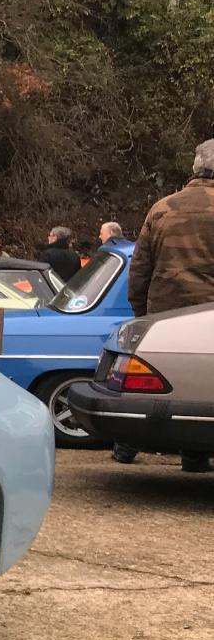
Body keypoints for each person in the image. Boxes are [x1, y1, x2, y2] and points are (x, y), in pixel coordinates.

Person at [122, 139, 214, 472]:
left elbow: (140, 268)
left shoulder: (162, 208)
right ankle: (195, 455)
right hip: (208, 317)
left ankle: (125, 445)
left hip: (164, 314)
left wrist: (140, 313)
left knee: (152, 380)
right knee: (203, 382)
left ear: (195, 166)